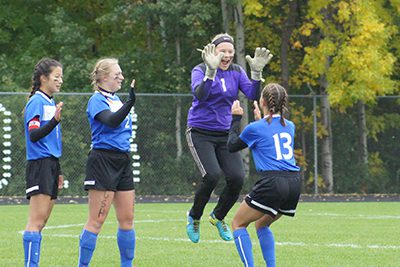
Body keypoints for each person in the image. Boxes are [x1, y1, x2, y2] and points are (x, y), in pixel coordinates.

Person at [185, 32, 273, 243]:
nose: (226, 55)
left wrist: (257, 74)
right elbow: (201, 95)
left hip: (224, 133)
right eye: (222, 51)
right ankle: (194, 217)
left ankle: (218, 217)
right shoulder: (199, 70)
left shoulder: (236, 71)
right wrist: (210, 71)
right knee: (212, 175)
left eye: (230, 51)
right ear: (213, 52)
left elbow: (252, 94)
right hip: (200, 132)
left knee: (237, 178)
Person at [228, 83, 301, 267]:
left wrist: (235, 119)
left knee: (237, 223)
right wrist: (260, 120)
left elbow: (232, 146)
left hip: (273, 182)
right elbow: (269, 138)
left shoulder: (256, 128)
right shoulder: (290, 126)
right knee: (261, 225)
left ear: (262, 101)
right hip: (294, 183)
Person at [78, 58, 136, 267]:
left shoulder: (117, 100)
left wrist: (126, 103)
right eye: (116, 74)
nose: (121, 77)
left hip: (123, 159)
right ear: (102, 77)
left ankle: (127, 264)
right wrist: (130, 103)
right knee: (97, 220)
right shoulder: (96, 100)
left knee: (127, 220)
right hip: (103, 160)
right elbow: (111, 121)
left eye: (121, 73)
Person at [23, 58, 64, 267]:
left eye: (61, 77)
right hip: (39, 165)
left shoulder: (49, 102)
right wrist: (55, 121)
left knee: (43, 221)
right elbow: (34, 135)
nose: (60, 80)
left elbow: (51, 141)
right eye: (56, 77)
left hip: (50, 164)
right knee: (36, 220)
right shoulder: (37, 102)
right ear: (43, 78)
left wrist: (59, 170)